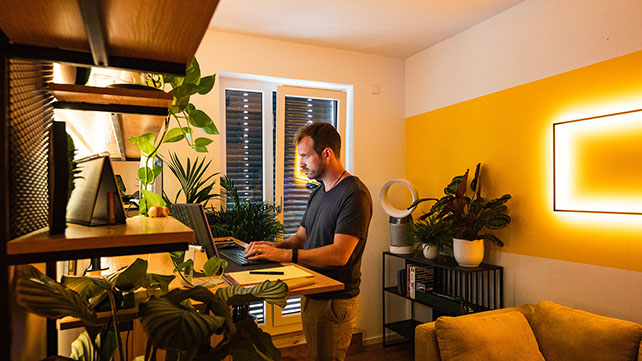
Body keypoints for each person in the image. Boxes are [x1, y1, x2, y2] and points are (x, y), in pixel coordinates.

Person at [245, 122, 372, 361]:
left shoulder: (354, 194)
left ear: (327, 154)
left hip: (335, 301)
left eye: (305, 156)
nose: (300, 163)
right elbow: (302, 237)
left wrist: (286, 256)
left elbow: (339, 254)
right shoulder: (318, 191)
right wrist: (274, 246)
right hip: (313, 292)